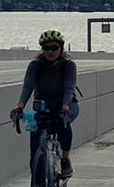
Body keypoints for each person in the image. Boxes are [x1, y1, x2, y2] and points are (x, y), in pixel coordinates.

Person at [11, 29, 78, 178]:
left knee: (63, 124)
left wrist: (65, 105)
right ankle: (38, 183)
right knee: (35, 146)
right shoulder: (35, 65)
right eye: (46, 48)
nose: (50, 51)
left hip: (66, 105)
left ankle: (65, 159)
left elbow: (69, 87)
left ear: (61, 48)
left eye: (54, 47)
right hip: (43, 106)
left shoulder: (68, 65)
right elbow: (28, 86)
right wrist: (20, 106)